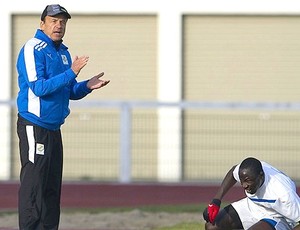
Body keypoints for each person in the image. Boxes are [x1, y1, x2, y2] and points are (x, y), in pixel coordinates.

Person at [16, 4, 110, 230]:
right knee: (34, 186)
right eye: (53, 20)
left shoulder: (64, 54)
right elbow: (38, 88)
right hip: (34, 125)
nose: (59, 25)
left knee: (51, 189)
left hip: (54, 129)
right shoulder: (33, 48)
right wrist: (72, 72)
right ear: (42, 24)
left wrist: (86, 86)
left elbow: (67, 92)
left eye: (63, 22)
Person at [203, 157, 300, 230]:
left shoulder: (284, 194)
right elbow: (233, 172)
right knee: (211, 226)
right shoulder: (248, 171)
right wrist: (216, 200)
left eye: (247, 181)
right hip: (254, 206)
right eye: (241, 181)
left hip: (278, 215)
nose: (244, 185)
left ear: (261, 176)